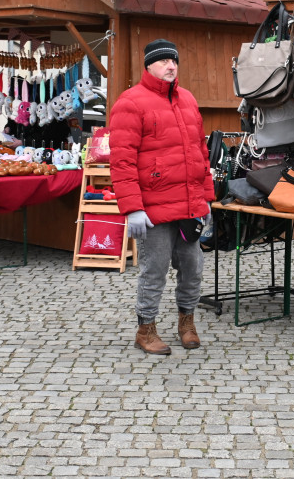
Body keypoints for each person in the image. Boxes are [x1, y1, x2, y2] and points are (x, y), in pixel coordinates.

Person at [109, 39, 214, 355]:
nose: (171, 66)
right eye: (164, 61)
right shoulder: (130, 103)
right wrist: (132, 209)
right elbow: (122, 160)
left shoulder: (188, 100)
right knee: (154, 270)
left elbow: (201, 152)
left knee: (192, 267)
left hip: (189, 205)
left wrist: (206, 198)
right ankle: (146, 329)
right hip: (152, 209)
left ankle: (187, 322)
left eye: (174, 61)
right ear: (149, 66)